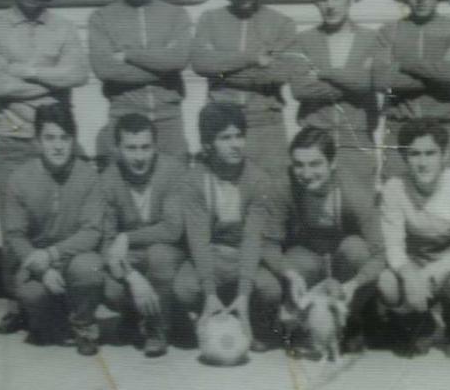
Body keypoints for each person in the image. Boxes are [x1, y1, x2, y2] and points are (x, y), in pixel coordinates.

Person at [0, 0, 90, 335]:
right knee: (17, 223)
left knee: (61, 218)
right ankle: (20, 303)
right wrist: (50, 83)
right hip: (13, 138)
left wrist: (28, 72)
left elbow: (79, 74)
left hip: (56, 141)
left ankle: (67, 297)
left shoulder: (62, 27)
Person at [74, 113, 187, 357]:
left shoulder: (173, 171)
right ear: (117, 149)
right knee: (108, 285)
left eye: (146, 147)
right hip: (130, 261)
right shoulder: (108, 181)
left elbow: (172, 229)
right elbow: (106, 242)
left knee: (160, 256)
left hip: (169, 254)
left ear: (155, 146)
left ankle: (158, 328)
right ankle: (135, 315)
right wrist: (133, 277)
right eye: (131, 148)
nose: (139, 156)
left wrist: (127, 238)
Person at [172, 103, 282, 353]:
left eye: (239, 136)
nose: (236, 144)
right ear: (208, 144)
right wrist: (209, 292)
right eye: (225, 138)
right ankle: (207, 315)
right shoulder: (194, 181)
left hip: (243, 254)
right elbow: (198, 241)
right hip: (211, 253)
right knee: (184, 288)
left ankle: (250, 317)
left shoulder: (258, 179)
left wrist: (244, 293)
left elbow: (253, 239)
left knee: (270, 290)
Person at [264, 127, 385, 353]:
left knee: (358, 250)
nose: (306, 173)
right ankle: (306, 321)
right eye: (299, 164)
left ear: (332, 163)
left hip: (344, 261)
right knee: (293, 261)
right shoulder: (283, 187)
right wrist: (288, 274)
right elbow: (269, 244)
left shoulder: (354, 192)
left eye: (315, 164)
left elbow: (380, 253)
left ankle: (352, 319)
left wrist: (354, 284)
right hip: (307, 258)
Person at [377, 118, 450, 356]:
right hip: (414, 260)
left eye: (430, 153)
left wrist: (427, 275)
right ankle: (419, 321)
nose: (423, 162)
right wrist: (410, 276)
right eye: (415, 154)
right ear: (405, 157)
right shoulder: (394, 188)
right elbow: (393, 247)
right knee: (386, 282)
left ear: (445, 155)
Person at [4, 104, 104, 355]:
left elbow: (92, 231)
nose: (58, 146)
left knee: (90, 268)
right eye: (49, 138)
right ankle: (47, 316)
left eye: (64, 138)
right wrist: (42, 267)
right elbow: (15, 234)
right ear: (37, 141)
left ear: (73, 140)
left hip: (73, 258)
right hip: (37, 265)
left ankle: (84, 327)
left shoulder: (88, 176)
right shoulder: (20, 178)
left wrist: (53, 254)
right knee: (33, 300)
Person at [191, 0, 297, 177]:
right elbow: (200, 62)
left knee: (272, 194)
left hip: (266, 125)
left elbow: (281, 72)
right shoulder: (210, 19)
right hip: (222, 125)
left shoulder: (282, 23)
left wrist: (221, 72)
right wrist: (253, 58)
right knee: (223, 194)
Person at [89, 0, 192, 165]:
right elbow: (105, 69)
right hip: (124, 118)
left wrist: (128, 54)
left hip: (169, 119)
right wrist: (163, 68)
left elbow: (179, 59)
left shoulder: (176, 15)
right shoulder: (101, 18)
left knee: (176, 186)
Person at [286, 0, 387, 186]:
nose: (330, 5)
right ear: (316, 2)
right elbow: (300, 88)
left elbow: (369, 82)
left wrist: (323, 74)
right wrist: (353, 80)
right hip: (315, 141)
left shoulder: (371, 39)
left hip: (357, 139)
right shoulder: (303, 40)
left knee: (359, 209)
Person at [376, 0, 450, 179]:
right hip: (399, 130)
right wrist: (436, 74)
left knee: (448, 203)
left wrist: (404, 64)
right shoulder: (390, 32)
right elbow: (381, 79)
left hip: (443, 130)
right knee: (396, 200)